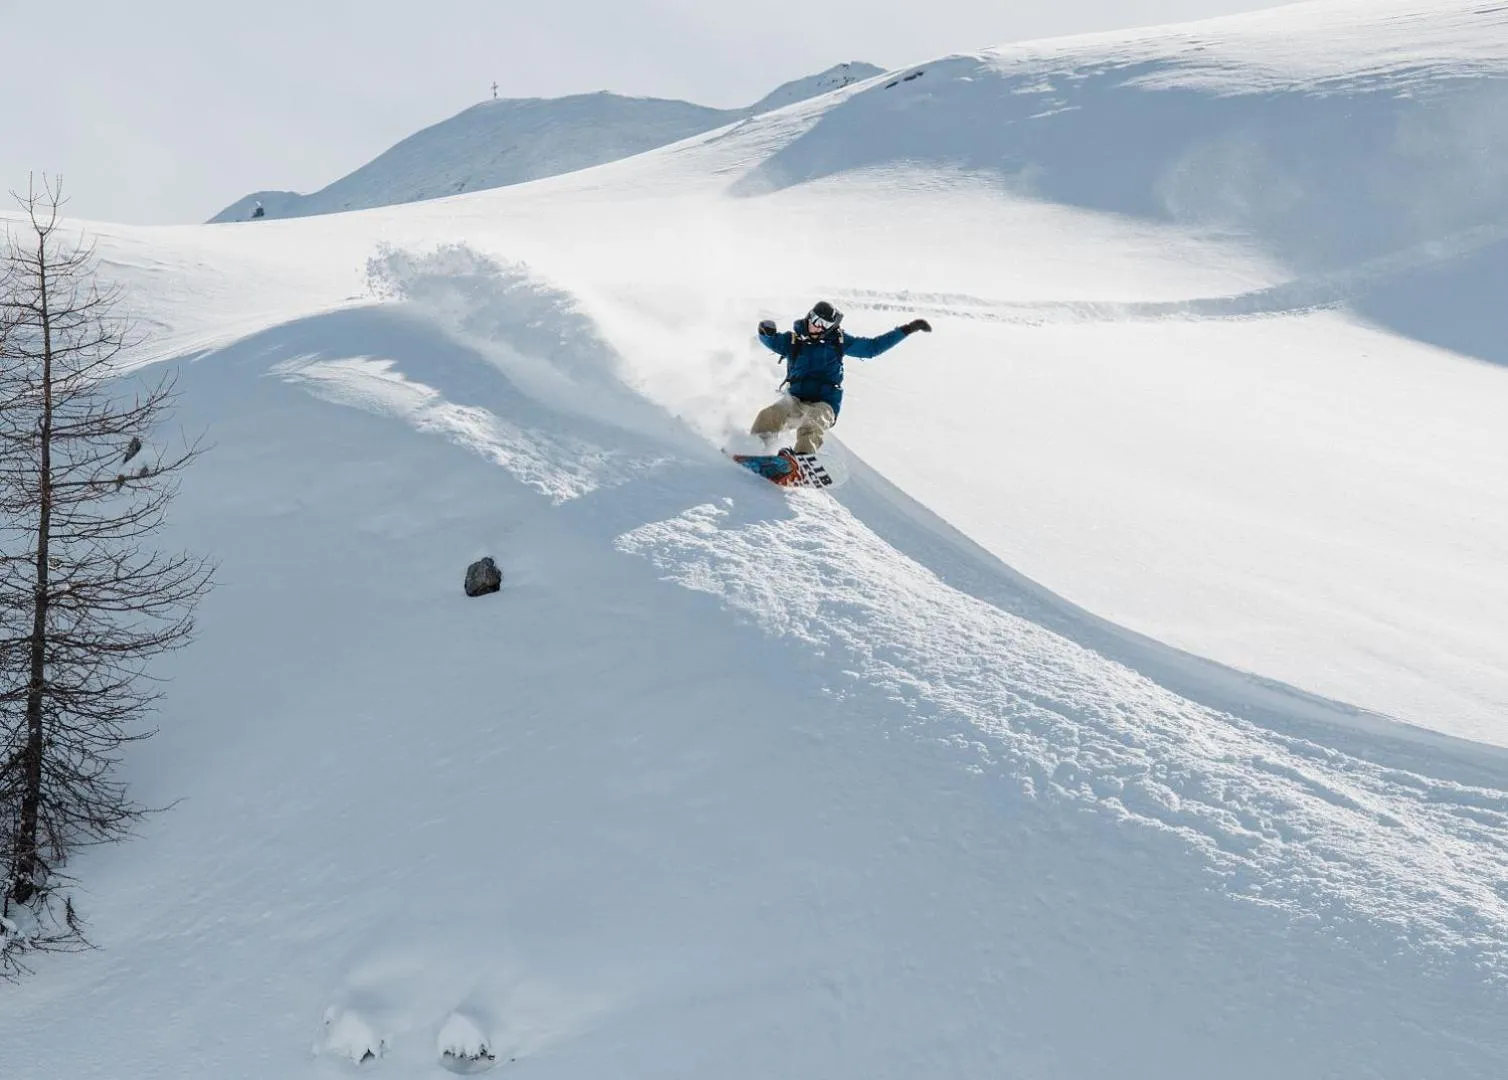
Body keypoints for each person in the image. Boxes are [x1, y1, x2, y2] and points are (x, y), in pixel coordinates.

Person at [751, 301, 930, 455]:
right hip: (796, 398)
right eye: (815, 320)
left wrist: (907, 329)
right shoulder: (793, 340)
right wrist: (765, 331)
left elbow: (871, 348)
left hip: (825, 402)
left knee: (813, 420)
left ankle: (801, 461)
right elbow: (770, 340)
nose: (817, 326)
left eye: (824, 324)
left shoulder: (838, 341)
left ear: (831, 327)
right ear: (809, 317)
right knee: (771, 414)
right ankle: (755, 448)